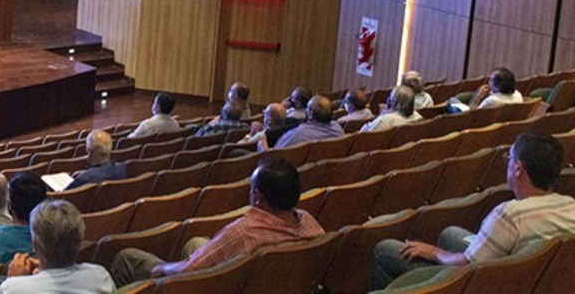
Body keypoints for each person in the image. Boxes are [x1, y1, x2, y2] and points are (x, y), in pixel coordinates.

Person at [371, 132, 575, 289]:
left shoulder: (510, 215)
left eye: (509, 158)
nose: (508, 162)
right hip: (534, 278)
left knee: (386, 249)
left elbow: (467, 265)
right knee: (450, 233)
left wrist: (434, 252)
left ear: (518, 169)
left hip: (489, 285)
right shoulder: (570, 205)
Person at [110, 157, 324, 287]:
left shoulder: (243, 234)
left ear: (258, 196)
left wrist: (162, 269)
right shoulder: (310, 223)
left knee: (127, 258)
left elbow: (187, 271)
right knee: (196, 243)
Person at [0, 200, 114, 293]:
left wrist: (13, 280)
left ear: (35, 245)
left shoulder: (12, 289)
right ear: (80, 242)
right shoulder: (101, 276)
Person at [273, 94, 344, 148]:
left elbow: (278, 149)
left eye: (307, 108)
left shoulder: (299, 133)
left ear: (311, 114)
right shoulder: (338, 129)